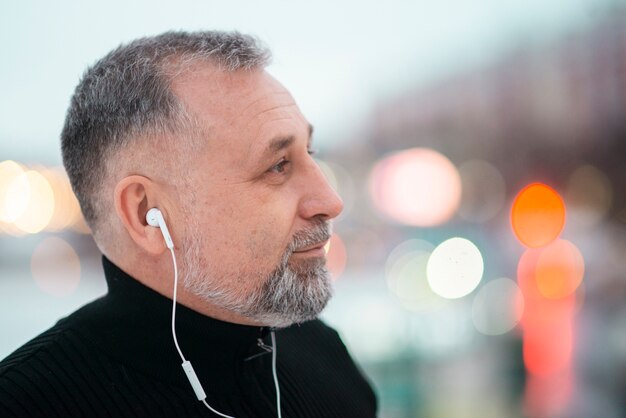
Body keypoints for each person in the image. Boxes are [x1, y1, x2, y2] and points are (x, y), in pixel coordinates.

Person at [0, 31, 377, 417]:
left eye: (309, 153)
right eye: (278, 165)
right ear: (146, 214)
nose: (331, 202)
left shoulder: (324, 356)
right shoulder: (25, 403)